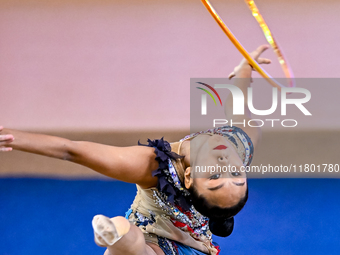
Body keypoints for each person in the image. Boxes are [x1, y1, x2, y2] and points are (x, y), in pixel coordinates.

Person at [0, 45, 271, 255]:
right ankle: (118, 233)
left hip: (193, 249)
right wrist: (244, 68)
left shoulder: (152, 167)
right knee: (138, 246)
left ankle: (118, 234)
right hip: (151, 239)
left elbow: (72, 151)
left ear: (189, 178)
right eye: (235, 172)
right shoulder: (240, 142)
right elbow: (239, 101)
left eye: (214, 177)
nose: (225, 164)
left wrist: (10, 138)